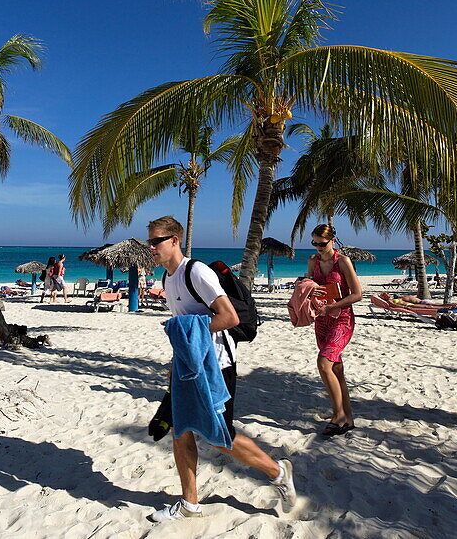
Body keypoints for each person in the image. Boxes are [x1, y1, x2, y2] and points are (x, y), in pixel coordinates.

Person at [145, 216, 296, 523]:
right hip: (189, 365)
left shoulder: (195, 272)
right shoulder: (167, 279)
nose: (151, 247)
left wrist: (185, 331)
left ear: (174, 240)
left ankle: (278, 472)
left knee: (219, 437)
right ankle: (189, 503)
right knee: (181, 429)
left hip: (217, 364)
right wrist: (177, 361)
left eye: (156, 241)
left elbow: (229, 318)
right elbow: (186, 331)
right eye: (149, 241)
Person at [307, 223, 363, 437]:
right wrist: (305, 287)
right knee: (336, 371)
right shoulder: (313, 261)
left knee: (324, 363)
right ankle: (348, 419)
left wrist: (333, 305)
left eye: (322, 244)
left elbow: (357, 294)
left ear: (332, 240)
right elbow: (311, 285)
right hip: (322, 320)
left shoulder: (343, 262)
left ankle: (337, 416)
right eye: (314, 243)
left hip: (342, 319)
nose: (318, 248)